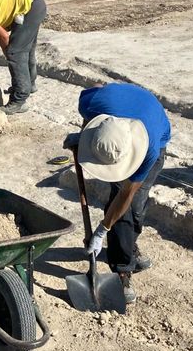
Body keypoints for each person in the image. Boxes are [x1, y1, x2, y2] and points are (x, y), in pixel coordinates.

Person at [65, 83, 171, 304]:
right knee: (122, 214)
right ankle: (122, 267)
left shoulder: (149, 150)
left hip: (156, 131)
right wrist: (85, 135)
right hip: (124, 115)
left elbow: (126, 195)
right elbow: (94, 90)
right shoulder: (90, 104)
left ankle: (128, 244)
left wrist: (102, 230)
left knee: (133, 206)